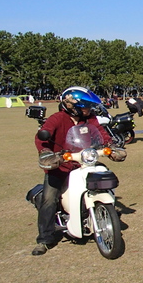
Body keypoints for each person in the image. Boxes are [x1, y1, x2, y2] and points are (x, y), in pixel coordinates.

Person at [32, 86, 126, 256]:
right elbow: (41, 137)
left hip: (84, 162)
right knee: (49, 198)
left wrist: (111, 147)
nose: (88, 109)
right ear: (71, 105)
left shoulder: (90, 119)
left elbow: (102, 135)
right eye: (85, 106)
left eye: (89, 106)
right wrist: (46, 153)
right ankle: (44, 239)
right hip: (60, 165)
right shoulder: (57, 118)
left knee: (105, 178)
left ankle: (104, 210)